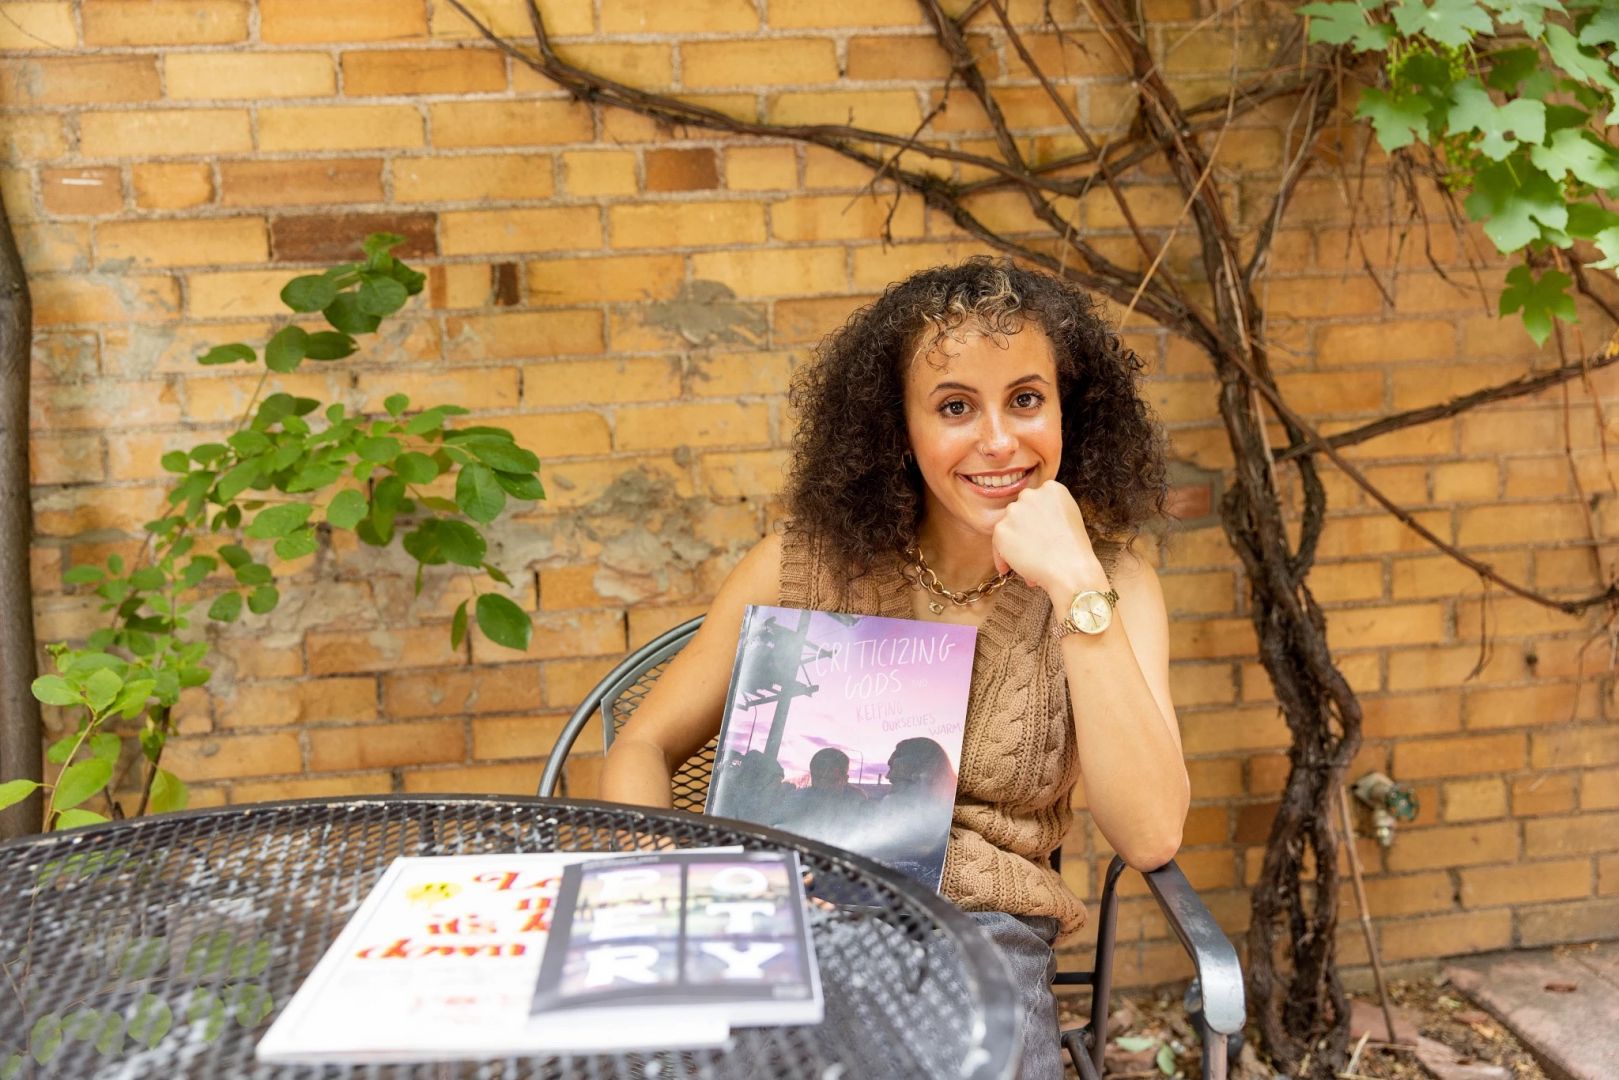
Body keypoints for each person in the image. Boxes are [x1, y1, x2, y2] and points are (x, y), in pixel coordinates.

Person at [601, 258, 1189, 1079]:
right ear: (898, 428)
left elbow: (1151, 832)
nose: (997, 439)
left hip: (969, 942)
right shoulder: (800, 563)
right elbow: (644, 746)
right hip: (783, 921)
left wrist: (1075, 585)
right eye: (954, 407)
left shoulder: (1113, 585)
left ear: (1068, 410)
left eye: (1025, 399)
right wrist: (669, 896)